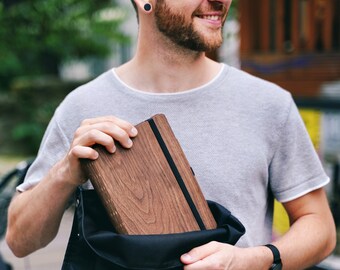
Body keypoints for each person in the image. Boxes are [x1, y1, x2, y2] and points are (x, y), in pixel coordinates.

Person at [6, 0, 336, 269]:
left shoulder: (269, 104)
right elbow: (20, 241)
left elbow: (319, 228)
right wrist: (65, 173)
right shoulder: (82, 106)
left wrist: (255, 259)